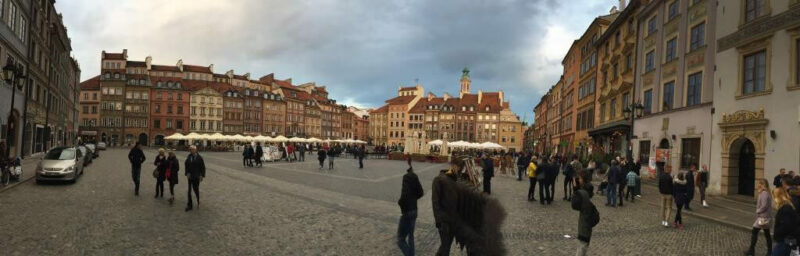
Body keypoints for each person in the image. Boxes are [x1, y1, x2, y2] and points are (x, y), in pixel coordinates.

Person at [397, 164, 424, 256]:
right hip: (414, 210)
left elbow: (404, 195)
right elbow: (421, 192)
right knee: (410, 236)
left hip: (407, 211)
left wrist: (400, 203)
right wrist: (413, 199)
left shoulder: (406, 177)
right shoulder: (414, 176)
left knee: (400, 239)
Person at [571, 171, 597, 256]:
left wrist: (575, 190)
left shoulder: (583, 193)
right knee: (583, 247)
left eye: (580, 178)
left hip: (584, 226)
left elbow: (574, 205)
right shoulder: (587, 192)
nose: (579, 179)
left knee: (581, 248)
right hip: (587, 224)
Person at [746, 179, 773, 256]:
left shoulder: (764, 193)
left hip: (763, 218)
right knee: (766, 234)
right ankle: (769, 251)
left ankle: (752, 251)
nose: (757, 185)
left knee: (755, 231)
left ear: (762, 184)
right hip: (764, 217)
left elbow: (764, 206)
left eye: (758, 183)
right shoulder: (764, 193)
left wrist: (758, 211)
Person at [771, 187, 800, 256]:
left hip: (785, 239)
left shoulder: (785, 208)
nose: (773, 199)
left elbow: (787, 226)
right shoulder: (787, 206)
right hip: (788, 239)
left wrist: (777, 233)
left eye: (774, 197)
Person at [185, 145, 206, 212]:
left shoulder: (199, 158)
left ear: (195, 150)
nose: (191, 151)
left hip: (196, 176)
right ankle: (189, 205)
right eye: (190, 149)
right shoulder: (189, 157)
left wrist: (202, 175)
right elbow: (186, 165)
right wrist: (187, 172)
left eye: (192, 149)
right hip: (190, 176)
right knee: (189, 191)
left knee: (196, 189)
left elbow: (203, 167)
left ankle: (198, 200)